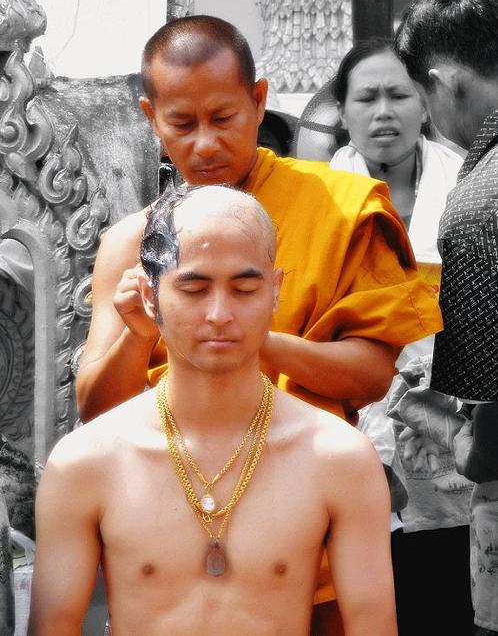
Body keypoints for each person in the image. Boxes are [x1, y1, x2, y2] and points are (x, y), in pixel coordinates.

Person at [74, 15, 442, 626]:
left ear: (259, 100)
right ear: (149, 116)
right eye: (181, 124)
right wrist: (138, 341)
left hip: (311, 541)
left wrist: (253, 343)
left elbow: (370, 375)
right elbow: (96, 410)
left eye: (224, 119)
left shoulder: (338, 208)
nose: (205, 145)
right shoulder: (129, 242)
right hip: (171, 545)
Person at [30, 186, 398, 636]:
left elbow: (373, 626)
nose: (220, 314)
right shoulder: (84, 464)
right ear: (150, 295)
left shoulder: (340, 459)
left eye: (244, 288)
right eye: (194, 288)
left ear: (276, 290)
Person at [329, 38, 474, 636]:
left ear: (425, 101)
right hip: (357, 429)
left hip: (457, 432)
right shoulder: (319, 195)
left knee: (453, 598)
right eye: (366, 97)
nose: (383, 112)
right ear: (342, 112)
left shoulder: (468, 185)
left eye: (399, 94)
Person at [395, 0, 498, 635]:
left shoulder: (479, 203)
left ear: (446, 82)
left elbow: (489, 438)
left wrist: (441, 421)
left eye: (421, 98)